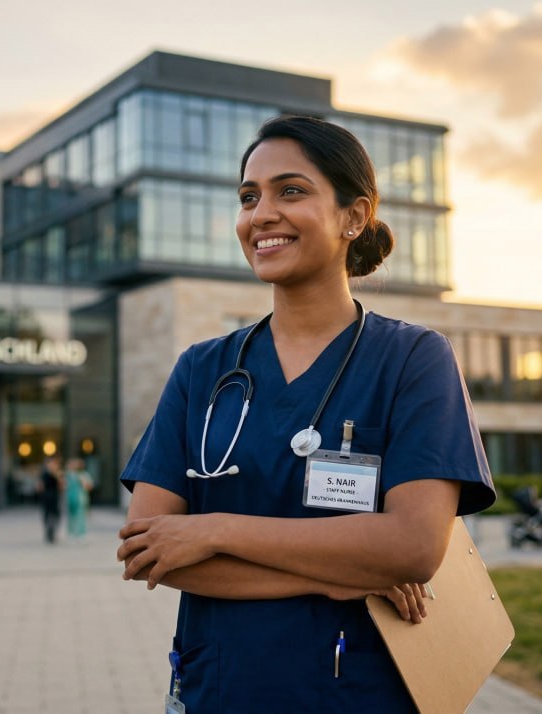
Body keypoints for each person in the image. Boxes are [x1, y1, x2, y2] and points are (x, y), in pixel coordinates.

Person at [115, 115, 495, 712]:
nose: (260, 214)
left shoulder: (413, 359)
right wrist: (336, 574)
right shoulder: (202, 369)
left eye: (290, 191)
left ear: (354, 216)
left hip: (358, 691)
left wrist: (213, 529)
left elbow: (414, 547)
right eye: (248, 197)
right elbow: (149, 548)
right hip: (221, 688)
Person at [64, 457, 94, 541]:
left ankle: (81, 533)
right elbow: (63, 485)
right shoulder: (68, 475)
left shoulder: (84, 474)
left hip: (81, 498)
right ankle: (71, 533)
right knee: (71, 516)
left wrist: (83, 483)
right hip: (70, 497)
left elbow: (89, 486)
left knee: (81, 515)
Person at [36, 456, 64, 544]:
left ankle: (52, 532)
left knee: (55, 515)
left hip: (55, 497)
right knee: (47, 514)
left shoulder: (58, 474)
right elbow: (40, 487)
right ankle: (49, 532)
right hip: (47, 497)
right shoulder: (44, 474)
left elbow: (62, 486)